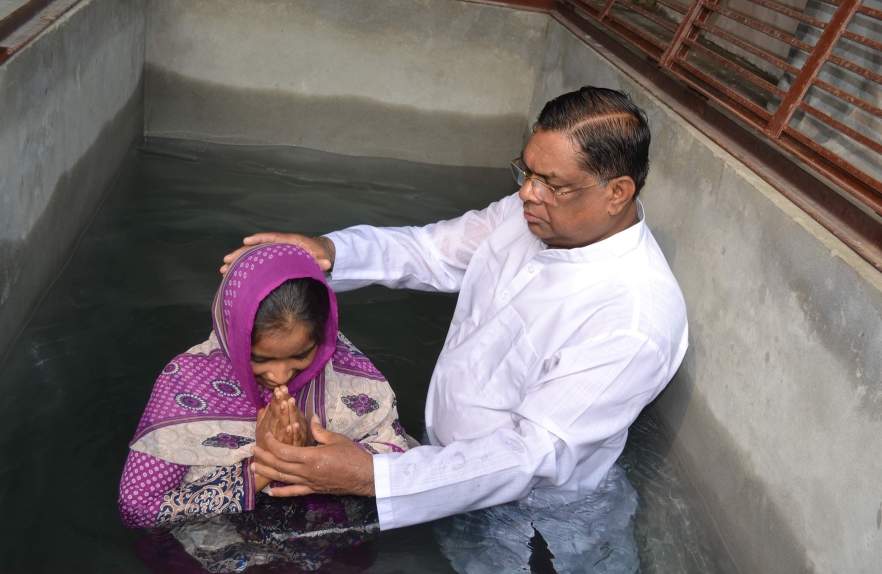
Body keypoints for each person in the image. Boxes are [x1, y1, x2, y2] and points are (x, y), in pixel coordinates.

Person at [222, 87, 688, 569]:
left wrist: (375, 477)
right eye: (526, 172)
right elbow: (433, 251)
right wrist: (328, 252)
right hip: (441, 472)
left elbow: (529, 457)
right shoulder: (529, 216)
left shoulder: (634, 319)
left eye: (554, 184)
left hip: (534, 527)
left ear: (617, 192)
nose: (529, 192)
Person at [119, 243, 412, 529]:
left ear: (323, 336)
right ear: (232, 335)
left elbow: (403, 463)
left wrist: (315, 450)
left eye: (301, 355)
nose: (280, 376)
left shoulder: (348, 371)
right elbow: (138, 508)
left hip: (334, 539)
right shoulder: (187, 384)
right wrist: (261, 469)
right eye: (260, 359)